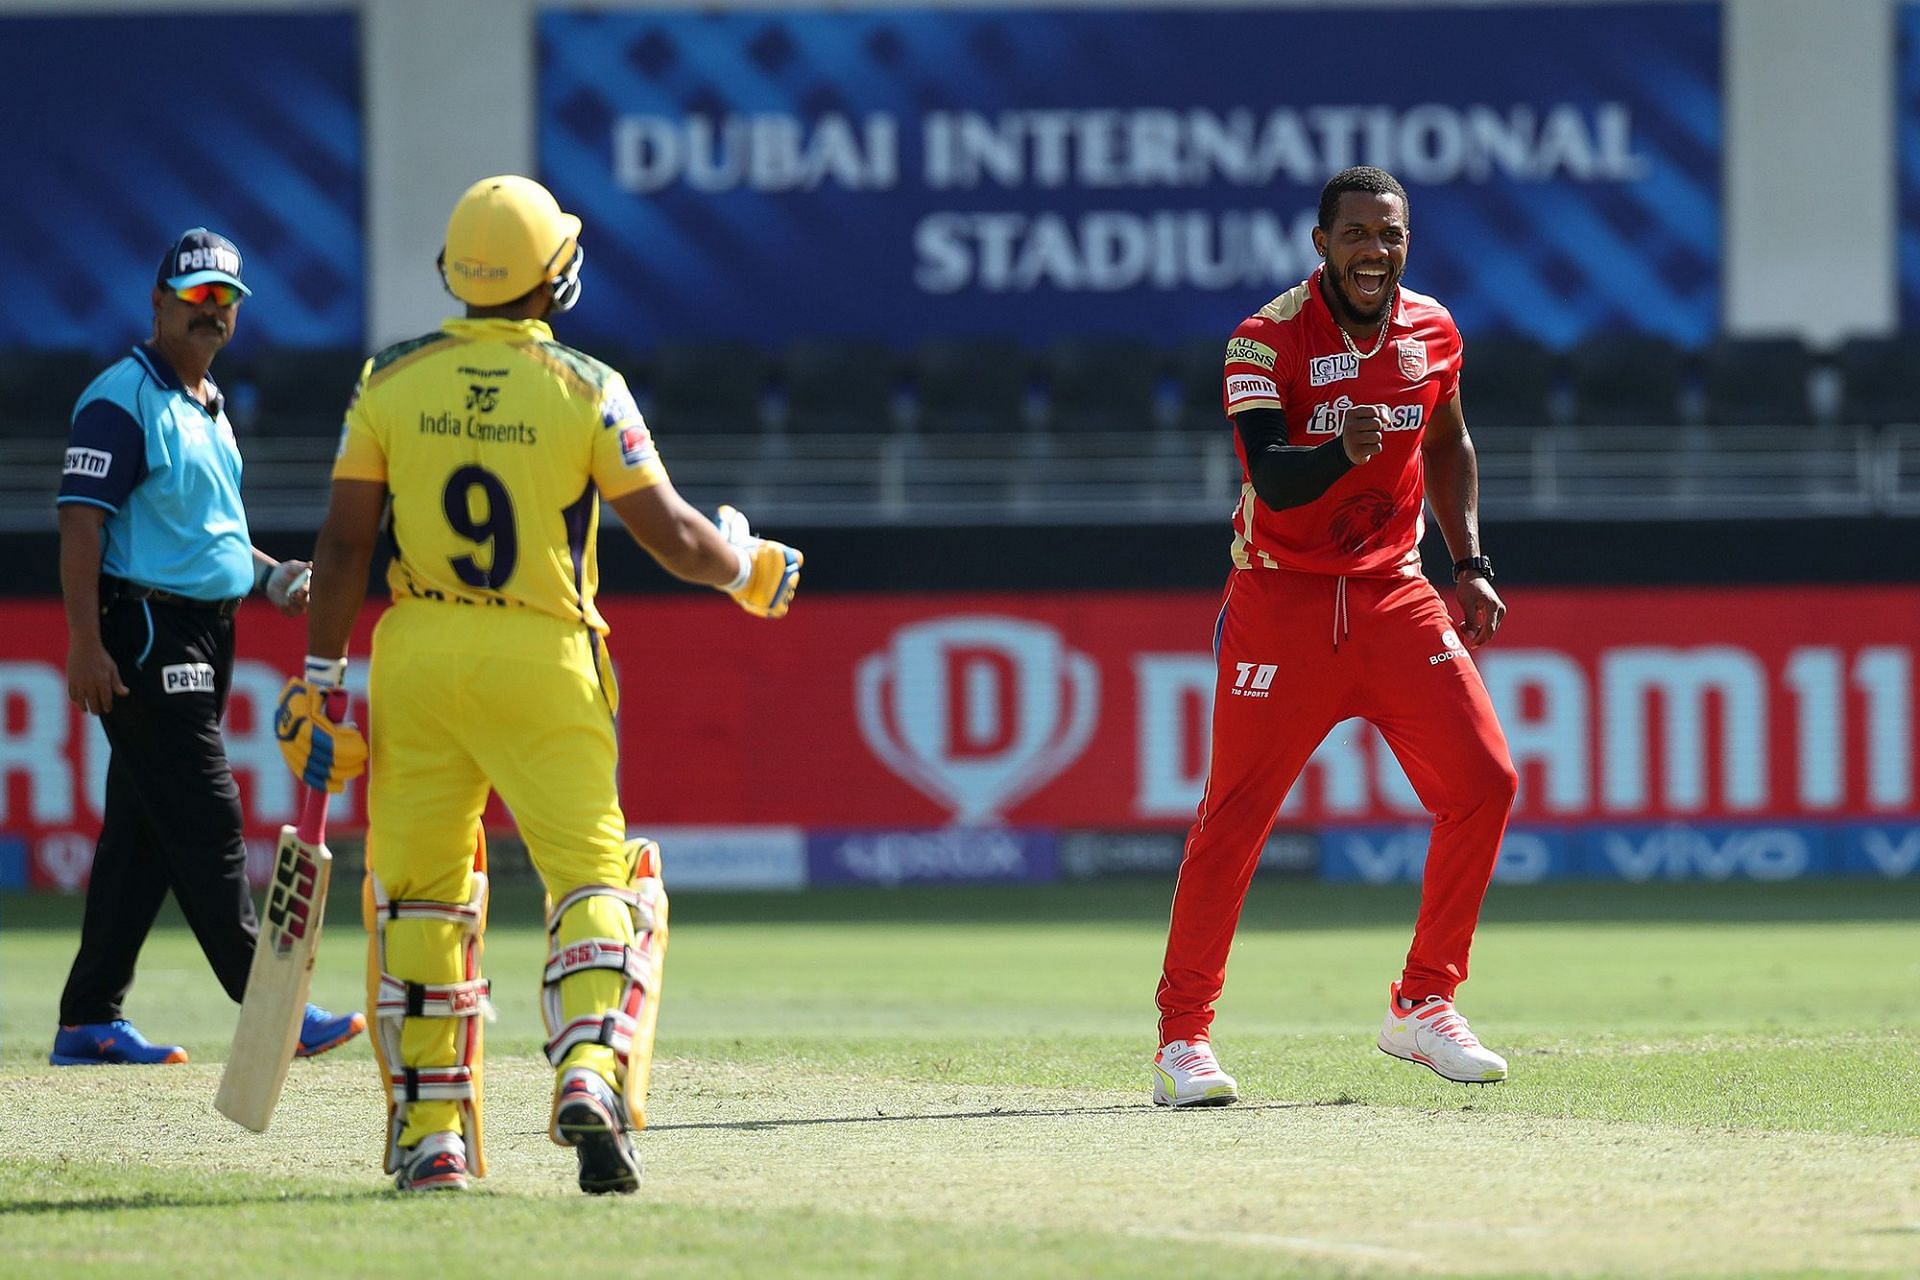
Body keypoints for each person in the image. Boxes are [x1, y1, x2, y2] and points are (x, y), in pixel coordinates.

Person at [276, 176, 802, 1195]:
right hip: (543, 655)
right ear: (555, 276)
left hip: (417, 652)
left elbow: (343, 546)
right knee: (602, 882)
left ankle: (433, 1138)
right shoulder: (586, 385)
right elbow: (676, 536)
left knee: (420, 895)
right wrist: (749, 569)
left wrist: (318, 681)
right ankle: (591, 1069)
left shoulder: (390, 378)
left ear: (453, 273)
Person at [1151, 167, 1519, 1106]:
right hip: (1284, 600)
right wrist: (1339, 452)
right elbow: (1271, 479)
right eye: (1356, 235)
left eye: (1390, 236)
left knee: (1484, 782)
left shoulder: (1433, 329)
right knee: (1234, 821)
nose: (1375, 252)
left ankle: (1423, 1003)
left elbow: (1448, 441)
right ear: (1321, 244)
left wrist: (1468, 561)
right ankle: (1183, 1041)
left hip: (1395, 595)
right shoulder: (1262, 340)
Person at [52, 228, 367, 1067]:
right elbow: (81, 522)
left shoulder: (211, 406)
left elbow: (213, 536)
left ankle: (88, 1018)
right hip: (146, 629)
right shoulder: (122, 399)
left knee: (143, 833)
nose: (213, 314)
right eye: (196, 298)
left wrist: (268, 578)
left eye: (225, 301)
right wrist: (85, 641)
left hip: (202, 627)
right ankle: (275, 1005)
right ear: (158, 302)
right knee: (206, 808)